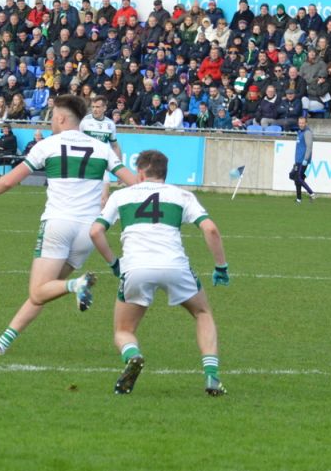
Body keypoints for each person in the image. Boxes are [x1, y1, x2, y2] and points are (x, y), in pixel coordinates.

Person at [0, 95, 135, 356]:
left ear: (61, 118)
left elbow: (11, 180)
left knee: (39, 289)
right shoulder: (101, 149)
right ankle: (2, 343)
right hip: (88, 233)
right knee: (44, 292)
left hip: (58, 224)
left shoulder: (48, 145)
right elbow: (132, 182)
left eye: (52, 115)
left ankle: (75, 285)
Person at [88, 149, 230, 396]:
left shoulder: (121, 196)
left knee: (124, 330)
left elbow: (95, 232)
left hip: (135, 267)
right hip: (175, 265)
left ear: (140, 173)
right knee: (202, 312)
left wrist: (114, 263)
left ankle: (133, 356)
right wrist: (220, 266)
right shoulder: (181, 195)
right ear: (164, 173)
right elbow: (211, 230)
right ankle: (212, 377)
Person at [291, 115, 317, 203]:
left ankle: (311, 193)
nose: (301, 124)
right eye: (299, 123)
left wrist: (306, 159)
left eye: (302, 123)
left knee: (298, 178)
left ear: (306, 123)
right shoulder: (300, 132)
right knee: (295, 177)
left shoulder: (307, 132)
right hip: (298, 160)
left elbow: (309, 147)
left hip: (302, 160)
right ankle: (299, 199)